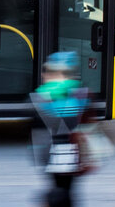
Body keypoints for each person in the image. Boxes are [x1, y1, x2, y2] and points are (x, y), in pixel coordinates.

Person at [32, 52, 88, 197]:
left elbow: (39, 129)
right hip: (75, 153)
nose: (44, 76)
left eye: (48, 72)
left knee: (58, 191)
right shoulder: (81, 93)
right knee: (68, 192)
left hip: (54, 154)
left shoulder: (42, 97)